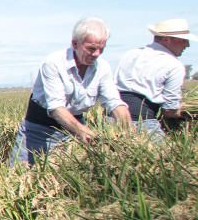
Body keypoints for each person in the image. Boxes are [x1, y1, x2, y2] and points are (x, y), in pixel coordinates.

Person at [10, 17, 131, 165]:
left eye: (102, 49)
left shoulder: (102, 68)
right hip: (39, 130)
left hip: (73, 129)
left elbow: (113, 101)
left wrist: (126, 129)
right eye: (91, 48)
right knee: (22, 175)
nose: (97, 54)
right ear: (75, 43)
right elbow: (56, 108)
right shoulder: (54, 63)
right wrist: (82, 131)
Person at [115, 18, 195, 139]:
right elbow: (169, 111)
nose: (187, 45)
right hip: (142, 123)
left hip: (111, 120)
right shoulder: (173, 65)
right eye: (184, 40)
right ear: (166, 39)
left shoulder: (131, 54)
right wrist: (183, 111)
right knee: (166, 156)